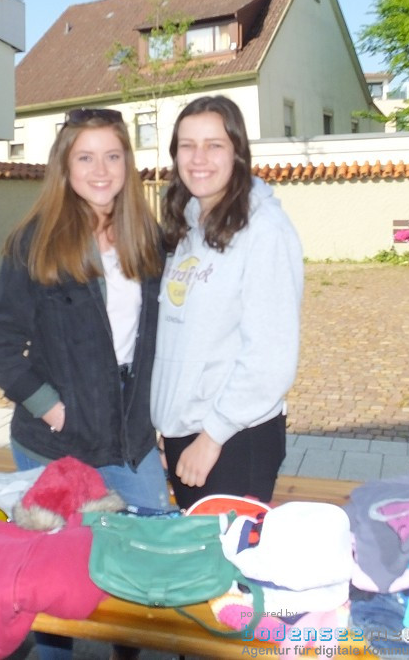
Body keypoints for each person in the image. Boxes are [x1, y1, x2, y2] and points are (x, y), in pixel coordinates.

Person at [0, 108, 167, 659]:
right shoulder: (34, 243)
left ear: (128, 163)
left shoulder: (146, 238)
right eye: (86, 157)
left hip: (128, 443)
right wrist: (49, 405)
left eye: (112, 155)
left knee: (138, 569)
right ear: (65, 165)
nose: (101, 170)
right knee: (53, 589)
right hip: (54, 447)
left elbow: (157, 340)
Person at [151, 95, 304, 510]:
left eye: (214, 145)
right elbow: (182, 339)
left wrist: (211, 436)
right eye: (187, 145)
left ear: (237, 152)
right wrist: (169, 424)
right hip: (189, 434)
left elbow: (270, 356)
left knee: (228, 568)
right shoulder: (189, 224)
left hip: (234, 439)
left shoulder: (264, 231)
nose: (199, 158)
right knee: (201, 567)